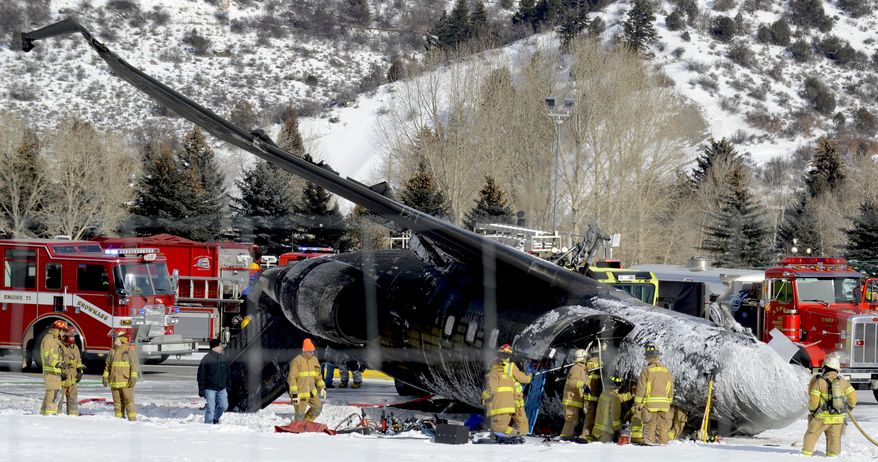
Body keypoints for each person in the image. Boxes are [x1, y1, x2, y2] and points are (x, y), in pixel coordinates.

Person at [801, 353, 857, 457]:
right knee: (834, 439)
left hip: (821, 418)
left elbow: (813, 401)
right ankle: (832, 457)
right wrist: (850, 407)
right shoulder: (843, 381)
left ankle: (804, 456)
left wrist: (813, 411)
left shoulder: (820, 382)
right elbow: (853, 397)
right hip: (838, 419)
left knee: (811, 435)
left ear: (825, 367)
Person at [482, 344, 531, 436]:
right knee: (521, 419)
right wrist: (529, 376)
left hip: (502, 398)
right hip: (515, 396)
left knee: (500, 422)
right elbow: (524, 379)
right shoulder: (511, 366)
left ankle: (515, 433)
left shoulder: (493, 366)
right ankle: (522, 434)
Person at [634, 344, 674, 445]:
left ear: (648, 357)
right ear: (657, 357)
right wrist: (668, 401)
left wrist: (637, 403)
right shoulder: (666, 371)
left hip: (650, 405)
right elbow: (670, 388)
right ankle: (663, 445)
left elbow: (641, 388)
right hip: (664, 405)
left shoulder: (646, 370)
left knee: (650, 425)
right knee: (662, 427)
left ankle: (649, 446)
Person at [103, 329, 139, 421]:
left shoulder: (129, 349)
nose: (114, 339)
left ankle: (132, 421)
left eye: (116, 338)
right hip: (114, 382)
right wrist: (105, 376)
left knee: (129, 403)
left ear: (122, 338)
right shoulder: (112, 351)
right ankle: (119, 422)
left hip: (126, 382)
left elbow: (134, 364)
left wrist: (134, 377)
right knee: (117, 404)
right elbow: (108, 366)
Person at [288, 338, 326, 421]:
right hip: (300, 393)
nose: (312, 353)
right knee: (299, 414)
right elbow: (292, 378)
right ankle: (297, 427)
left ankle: (307, 421)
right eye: (310, 351)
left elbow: (318, 376)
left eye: (313, 351)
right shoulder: (297, 361)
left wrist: (322, 387)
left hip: (312, 392)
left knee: (318, 407)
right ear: (304, 351)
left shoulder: (314, 360)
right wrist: (294, 394)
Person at [592, 374, 633, 443]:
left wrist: (630, 395)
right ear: (619, 386)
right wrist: (621, 429)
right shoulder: (615, 398)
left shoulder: (604, 394)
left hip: (597, 431)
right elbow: (615, 421)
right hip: (606, 434)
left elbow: (618, 398)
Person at [197, 338, 230, 424]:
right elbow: (201, 375)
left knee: (224, 406)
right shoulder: (206, 359)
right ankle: (207, 425)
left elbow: (228, 373)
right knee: (211, 408)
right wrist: (201, 389)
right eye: (219, 346)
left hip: (222, 388)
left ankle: (215, 418)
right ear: (214, 347)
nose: (221, 347)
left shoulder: (223, 358)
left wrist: (228, 385)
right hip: (210, 388)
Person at [559, 349, 589, 440]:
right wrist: (583, 385)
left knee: (573, 422)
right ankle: (564, 439)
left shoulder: (581, 369)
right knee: (571, 421)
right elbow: (572, 382)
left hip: (574, 400)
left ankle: (566, 438)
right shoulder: (577, 368)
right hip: (571, 400)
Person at [40, 320, 67, 416]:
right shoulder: (49, 339)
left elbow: (56, 356)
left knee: (50, 394)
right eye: (63, 331)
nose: (64, 333)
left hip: (55, 372)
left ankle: (44, 413)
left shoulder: (54, 340)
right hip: (51, 372)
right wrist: (58, 364)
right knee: (53, 394)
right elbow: (48, 355)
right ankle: (50, 415)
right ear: (58, 330)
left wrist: (61, 369)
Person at [60, 326, 84, 416]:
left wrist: (80, 370)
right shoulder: (60, 346)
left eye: (73, 335)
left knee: (73, 399)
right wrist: (60, 373)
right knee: (59, 399)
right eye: (70, 335)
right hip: (63, 378)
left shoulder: (75, 347)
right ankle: (56, 417)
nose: (72, 337)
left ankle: (73, 417)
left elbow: (78, 361)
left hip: (72, 378)